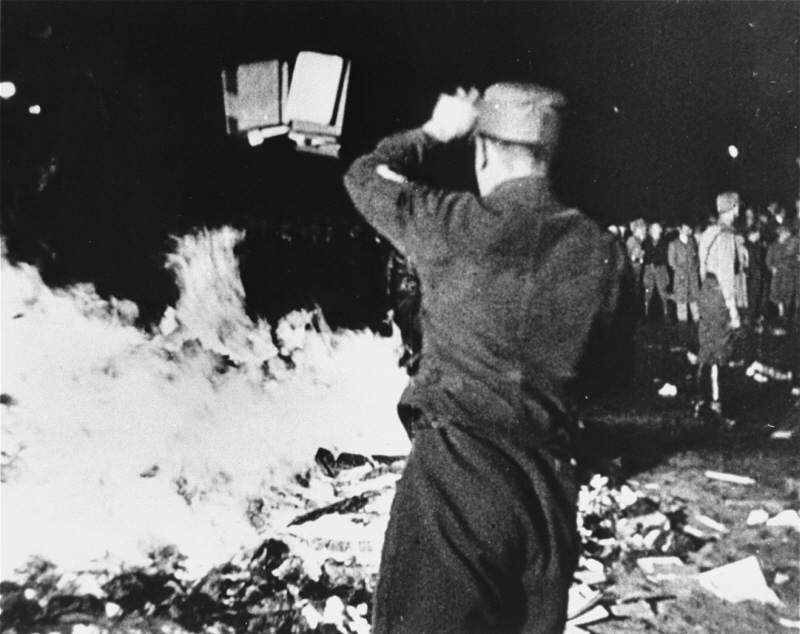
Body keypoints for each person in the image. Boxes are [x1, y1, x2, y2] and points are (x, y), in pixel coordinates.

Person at [344, 83, 623, 634]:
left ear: (483, 151)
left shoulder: (449, 223)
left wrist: (432, 132)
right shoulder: (601, 251)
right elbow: (611, 374)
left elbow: (363, 176)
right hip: (547, 501)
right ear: (548, 156)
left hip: (456, 488)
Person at [698, 192, 744, 329]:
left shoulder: (711, 231)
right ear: (734, 208)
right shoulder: (725, 235)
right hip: (720, 294)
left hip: (708, 289)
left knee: (708, 343)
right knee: (721, 344)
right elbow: (725, 273)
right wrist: (733, 311)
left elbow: (702, 266)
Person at [668, 223, 701, 322]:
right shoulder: (673, 244)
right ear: (680, 229)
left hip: (692, 276)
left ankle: (697, 321)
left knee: (694, 300)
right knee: (681, 302)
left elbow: (696, 258)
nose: (688, 229)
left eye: (689, 227)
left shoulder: (692, 242)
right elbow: (671, 261)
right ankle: (683, 325)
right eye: (685, 227)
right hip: (681, 278)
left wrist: (695, 268)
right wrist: (680, 271)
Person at [642, 221, 671, 320]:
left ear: (661, 230)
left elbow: (665, 257)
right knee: (647, 291)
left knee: (662, 291)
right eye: (652, 229)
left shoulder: (665, 242)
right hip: (649, 269)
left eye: (657, 228)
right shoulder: (646, 242)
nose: (654, 231)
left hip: (660, 268)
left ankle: (666, 312)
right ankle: (645, 313)